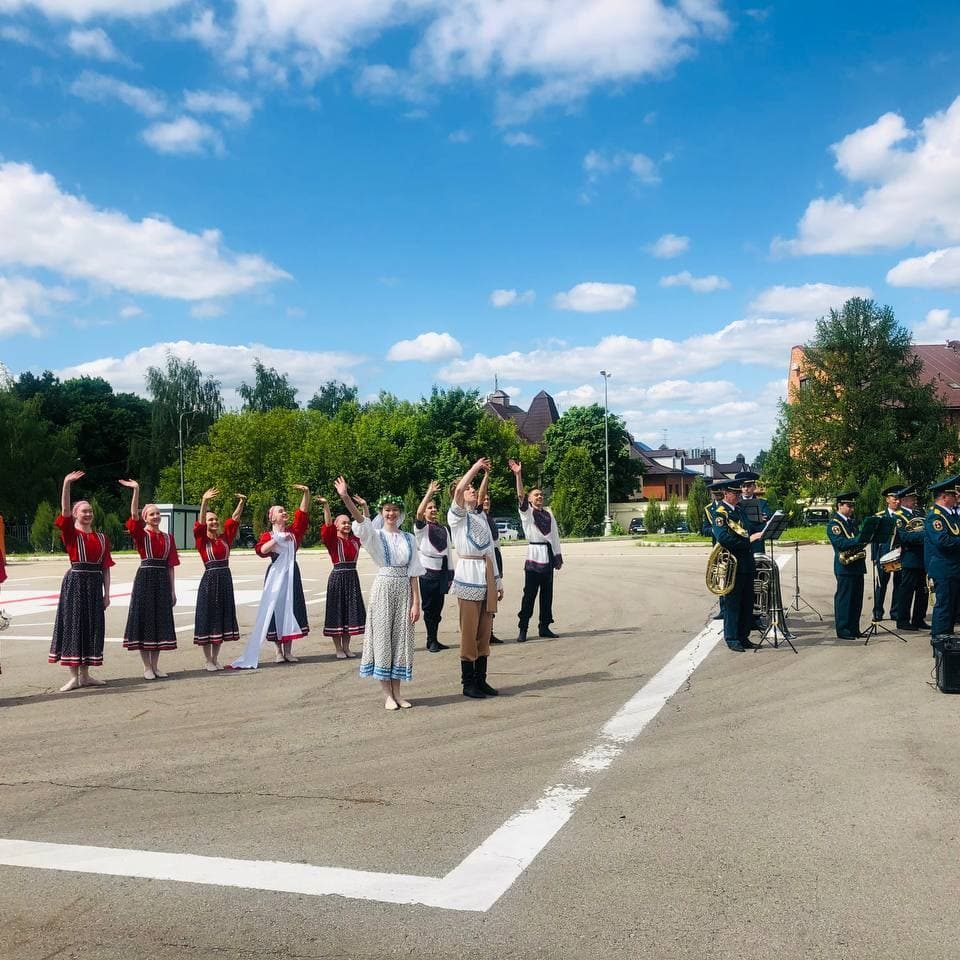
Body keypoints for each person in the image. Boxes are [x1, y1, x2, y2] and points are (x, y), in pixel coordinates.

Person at [335, 477, 422, 710]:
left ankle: (398, 693)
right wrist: (345, 497)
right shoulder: (376, 535)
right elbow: (360, 521)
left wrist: (416, 603)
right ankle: (387, 695)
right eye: (387, 510)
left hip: (404, 590)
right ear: (381, 513)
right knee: (383, 639)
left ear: (400, 512)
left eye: (394, 510)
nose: (391, 514)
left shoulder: (409, 538)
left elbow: (414, 571)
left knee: (400, 640)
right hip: (384, 588)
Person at [48, 471, 114, 690]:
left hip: (94, 585)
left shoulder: (102, 538)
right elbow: (64, 512)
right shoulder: (71, 534)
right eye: (84, 511)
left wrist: (107, 594)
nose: (88, 514)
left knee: (91, 627)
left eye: (90, 511)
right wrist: (66, 484)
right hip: (75, 583)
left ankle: (86, 675)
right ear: (76, 514)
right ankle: (74, 677)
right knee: (74, 626)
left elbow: (106, 568)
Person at [449, 458, 504, 698]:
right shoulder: (457, 517)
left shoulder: (480, 516)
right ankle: (468, 682)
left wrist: (498, 582)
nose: (472, 491)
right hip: (468, 576)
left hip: (486, 575)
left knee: (484, 632)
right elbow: (460, 489)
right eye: (468, 489)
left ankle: (481, 679)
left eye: (473, 488)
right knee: (468, 633)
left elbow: (490, 550)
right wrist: (475, 468)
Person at [119, 478, 179, 680]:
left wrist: (172, 590)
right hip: (145, 578)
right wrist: (136, 490)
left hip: (162, 580)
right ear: (145, 517)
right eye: (152, 514)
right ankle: (146, 666)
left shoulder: (168, 538)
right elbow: (133, 516)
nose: (156, 516)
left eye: (158, 513)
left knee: (159, 621)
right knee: (145, 621)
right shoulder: (141, 534)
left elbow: (171, 566)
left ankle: (156, 665)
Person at [508, 458, 562, 643]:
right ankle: (523, 627)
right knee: (529, 594)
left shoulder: (549, 514)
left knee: (547, 595)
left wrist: (557, 556)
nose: (539, 497)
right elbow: (520, 496)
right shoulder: (528, 513)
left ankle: (544, 626)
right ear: (530, 499)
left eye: (541, 495)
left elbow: (555, 536)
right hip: (534, 556)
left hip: (548, 555)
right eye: (536, 495)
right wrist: (518, 475)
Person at [255, 484, 311, 662]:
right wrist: (277, 539)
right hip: (276, 573)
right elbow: (262, 550)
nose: (284, 512)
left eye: (285, 510)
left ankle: (288, 651)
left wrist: (306, 493)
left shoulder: (293, 532)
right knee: (275, 608)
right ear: (272, 518)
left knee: (291, 607)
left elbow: (302, 514)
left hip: (292, 573)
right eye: (280, 511)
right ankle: (278, 651)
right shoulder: (268, 535)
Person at [193, 487, 246, 670]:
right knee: (208, 619)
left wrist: (242, 502)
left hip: (225, 581)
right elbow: (200, 524)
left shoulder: (224, 538)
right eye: (211, 520)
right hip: (210, 581)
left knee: (220, 620)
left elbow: (234, 519)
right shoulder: (202, 541)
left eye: (216, 519)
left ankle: (215, 658)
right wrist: (204, 501)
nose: (214, 522)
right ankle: (208, 660)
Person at [710, 480, 763, 651]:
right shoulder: (720, 514)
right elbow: (724, 538)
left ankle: (743, 636)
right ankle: (732, 639)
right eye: (735, 493)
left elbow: (748, 529)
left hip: (747, 563)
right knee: (733, 604)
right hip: (732, 566)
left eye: (739, 493)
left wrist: (765, 528)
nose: (739, 496)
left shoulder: (739, 510)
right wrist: (749, 541)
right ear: (726, 494)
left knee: (747, 603)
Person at [316, 493, 367, 659]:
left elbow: (365, 526)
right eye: (343, 523)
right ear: (336, 526)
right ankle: (338, 648)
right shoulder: (332, 541)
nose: (347, 525)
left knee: (350, 614)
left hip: (352, 578)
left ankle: (346, 647)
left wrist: (364, 507)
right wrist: (326, 506)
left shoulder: (355, 540)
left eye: (348, 523)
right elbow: (327, 525)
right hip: (338, 578)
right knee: (337, 613)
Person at [415, 480, 453, 653]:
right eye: (429, 508)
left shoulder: (444, 529)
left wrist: (451, 575)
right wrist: (430, 492)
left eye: (435, 507)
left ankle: (434, 638)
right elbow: (418, 513)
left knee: (438, 608)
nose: (433, 510)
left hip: (442, 571)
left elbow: (449, 553)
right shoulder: (421, 528)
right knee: (429, 608)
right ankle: (431, 640)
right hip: (427, 572)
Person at [924, 477, 960, 646]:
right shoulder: (935, 517)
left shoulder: (950, 516)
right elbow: (942, 541)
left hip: (953, 568)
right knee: (944, 607)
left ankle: (948, 644)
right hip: (944, 569)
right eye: (954, 495)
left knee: (951, 608)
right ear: (945, 497)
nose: (956, 498)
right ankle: (939, 643)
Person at [827, 491, 868, 640]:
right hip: (845, 566)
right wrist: (859, 539)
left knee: (857, 599)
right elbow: (841, 543)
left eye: (852, 506)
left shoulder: (852, 522)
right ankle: (843, 630)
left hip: (857, 564)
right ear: (840, 506)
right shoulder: (834, 524)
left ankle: (854, 628)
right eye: (849, 506)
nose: (852, 509)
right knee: (845, 599)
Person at [895, 486, 930, 631]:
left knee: (923, 591)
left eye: (915, 498)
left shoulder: (919, 513)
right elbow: (905, 537)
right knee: (907, 591)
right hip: (910, 558)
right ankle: (903, 620)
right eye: (912, 498)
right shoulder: (899, 516)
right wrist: (925, 535)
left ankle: (918, 619)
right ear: (904, 500)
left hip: (922, 557)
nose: (915, 501)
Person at [476, 469, 504, 643]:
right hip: (484, 561)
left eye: (488, 499)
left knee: (493, 597)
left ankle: (490, 631)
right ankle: (481, 633)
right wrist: (486, 476)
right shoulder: (478, 518)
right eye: (484, 499)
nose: (486, 501)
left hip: (495, 559)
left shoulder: (490, 519)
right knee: (483, 598)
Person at [871, 486, 904, 623]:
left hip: (899, 554)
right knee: (881, 584)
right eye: (894, 498)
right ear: (887, 500)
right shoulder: (879, 516)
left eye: (899, 499)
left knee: (899, 583)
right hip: (883, 554)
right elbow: (874, 539)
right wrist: (874, 557)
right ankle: (878, 611)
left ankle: (895, 612)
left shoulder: (903, 516)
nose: (897, 501)